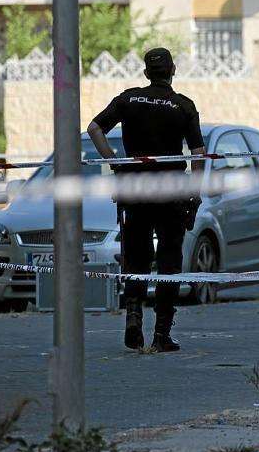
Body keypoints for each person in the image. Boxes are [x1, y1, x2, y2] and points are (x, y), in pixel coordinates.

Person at [87, 47, 206, 351]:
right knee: (169, 261)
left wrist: (115, 161)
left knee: (136, 257)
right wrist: (195, 192)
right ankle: (162, 334)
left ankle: (133, 315)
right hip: (171, 191)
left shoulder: (128, 99)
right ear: (173, 71)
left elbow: (94, 128)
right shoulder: (183, 106)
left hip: (135, 188)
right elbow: (198, 155)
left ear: (145, 73)